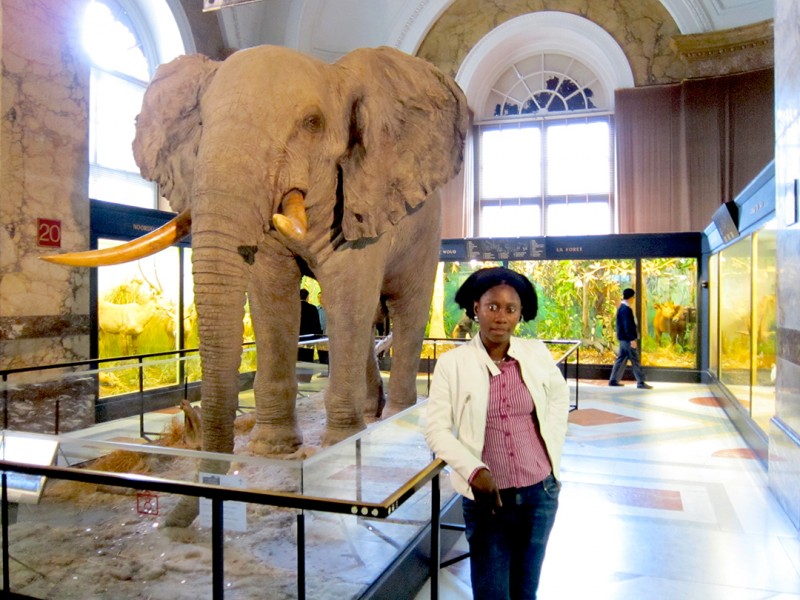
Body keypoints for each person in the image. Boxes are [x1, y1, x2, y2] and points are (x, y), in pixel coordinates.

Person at [425, 267, 571, 600]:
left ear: (520, 314)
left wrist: (552, 456)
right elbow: (435, 428)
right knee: (492, 593)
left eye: (510, 308)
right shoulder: (453, 364)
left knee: (525, 590)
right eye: (492, 306)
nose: (500, 317)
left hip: (540, 494)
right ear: (476, 307)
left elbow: (559, 398)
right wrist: (473, 470)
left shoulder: (535, 353)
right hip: (488, 502)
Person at [608, 288, 653, 389]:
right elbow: (627, 325)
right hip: (627, 340)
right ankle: (641, 382)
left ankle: (613, 380)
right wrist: (632, 339)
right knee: (635, 359)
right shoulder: (626, 309)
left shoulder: (622, 308)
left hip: (623, 339)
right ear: (632, 297)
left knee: (621, 359)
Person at [298, 288, 322, 363]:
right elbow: (316, 325)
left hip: (296, 339)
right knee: (308, 360)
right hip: (309, 339)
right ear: (307, 297)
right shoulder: (312, 308)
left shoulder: (294, 308)